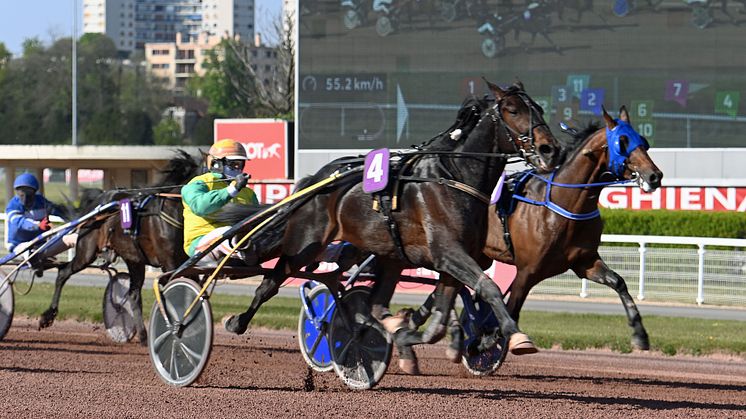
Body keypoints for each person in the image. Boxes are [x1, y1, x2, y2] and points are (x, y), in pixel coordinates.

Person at [181, 139, 257, 263]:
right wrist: (232, 189)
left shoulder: (248, 193)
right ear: (216, 164)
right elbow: (200, 207)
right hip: (200, 245)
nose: (237, 169)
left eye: (240, 164)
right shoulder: (197, 184)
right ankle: (244, 253)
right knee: (226, 231)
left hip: (235, 239)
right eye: (233, 164)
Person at [6, 173, 73, 258]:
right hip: (18, 246)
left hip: (40, 244)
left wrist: (72, 217)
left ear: (34, 192)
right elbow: (19, 222)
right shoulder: (13, 205)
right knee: (31, 255)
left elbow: (56, 210)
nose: (25, 197)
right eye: (21, 192)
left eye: (28, 192)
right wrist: (38, 225)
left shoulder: (41, 201)